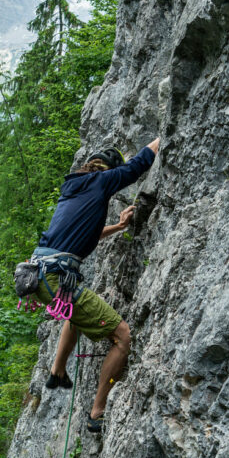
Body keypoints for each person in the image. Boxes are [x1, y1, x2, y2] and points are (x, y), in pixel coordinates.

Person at [34, 138, 159, 433]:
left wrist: (117, 226)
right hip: (55, 277)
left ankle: (58, 370)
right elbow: (136, 167)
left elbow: (84, 235)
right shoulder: (100, 182)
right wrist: (160, 138)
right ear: (107, 170)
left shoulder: (73, 190)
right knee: (123, 336)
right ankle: (97, 411)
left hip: (41, 276)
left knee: (76, 316)